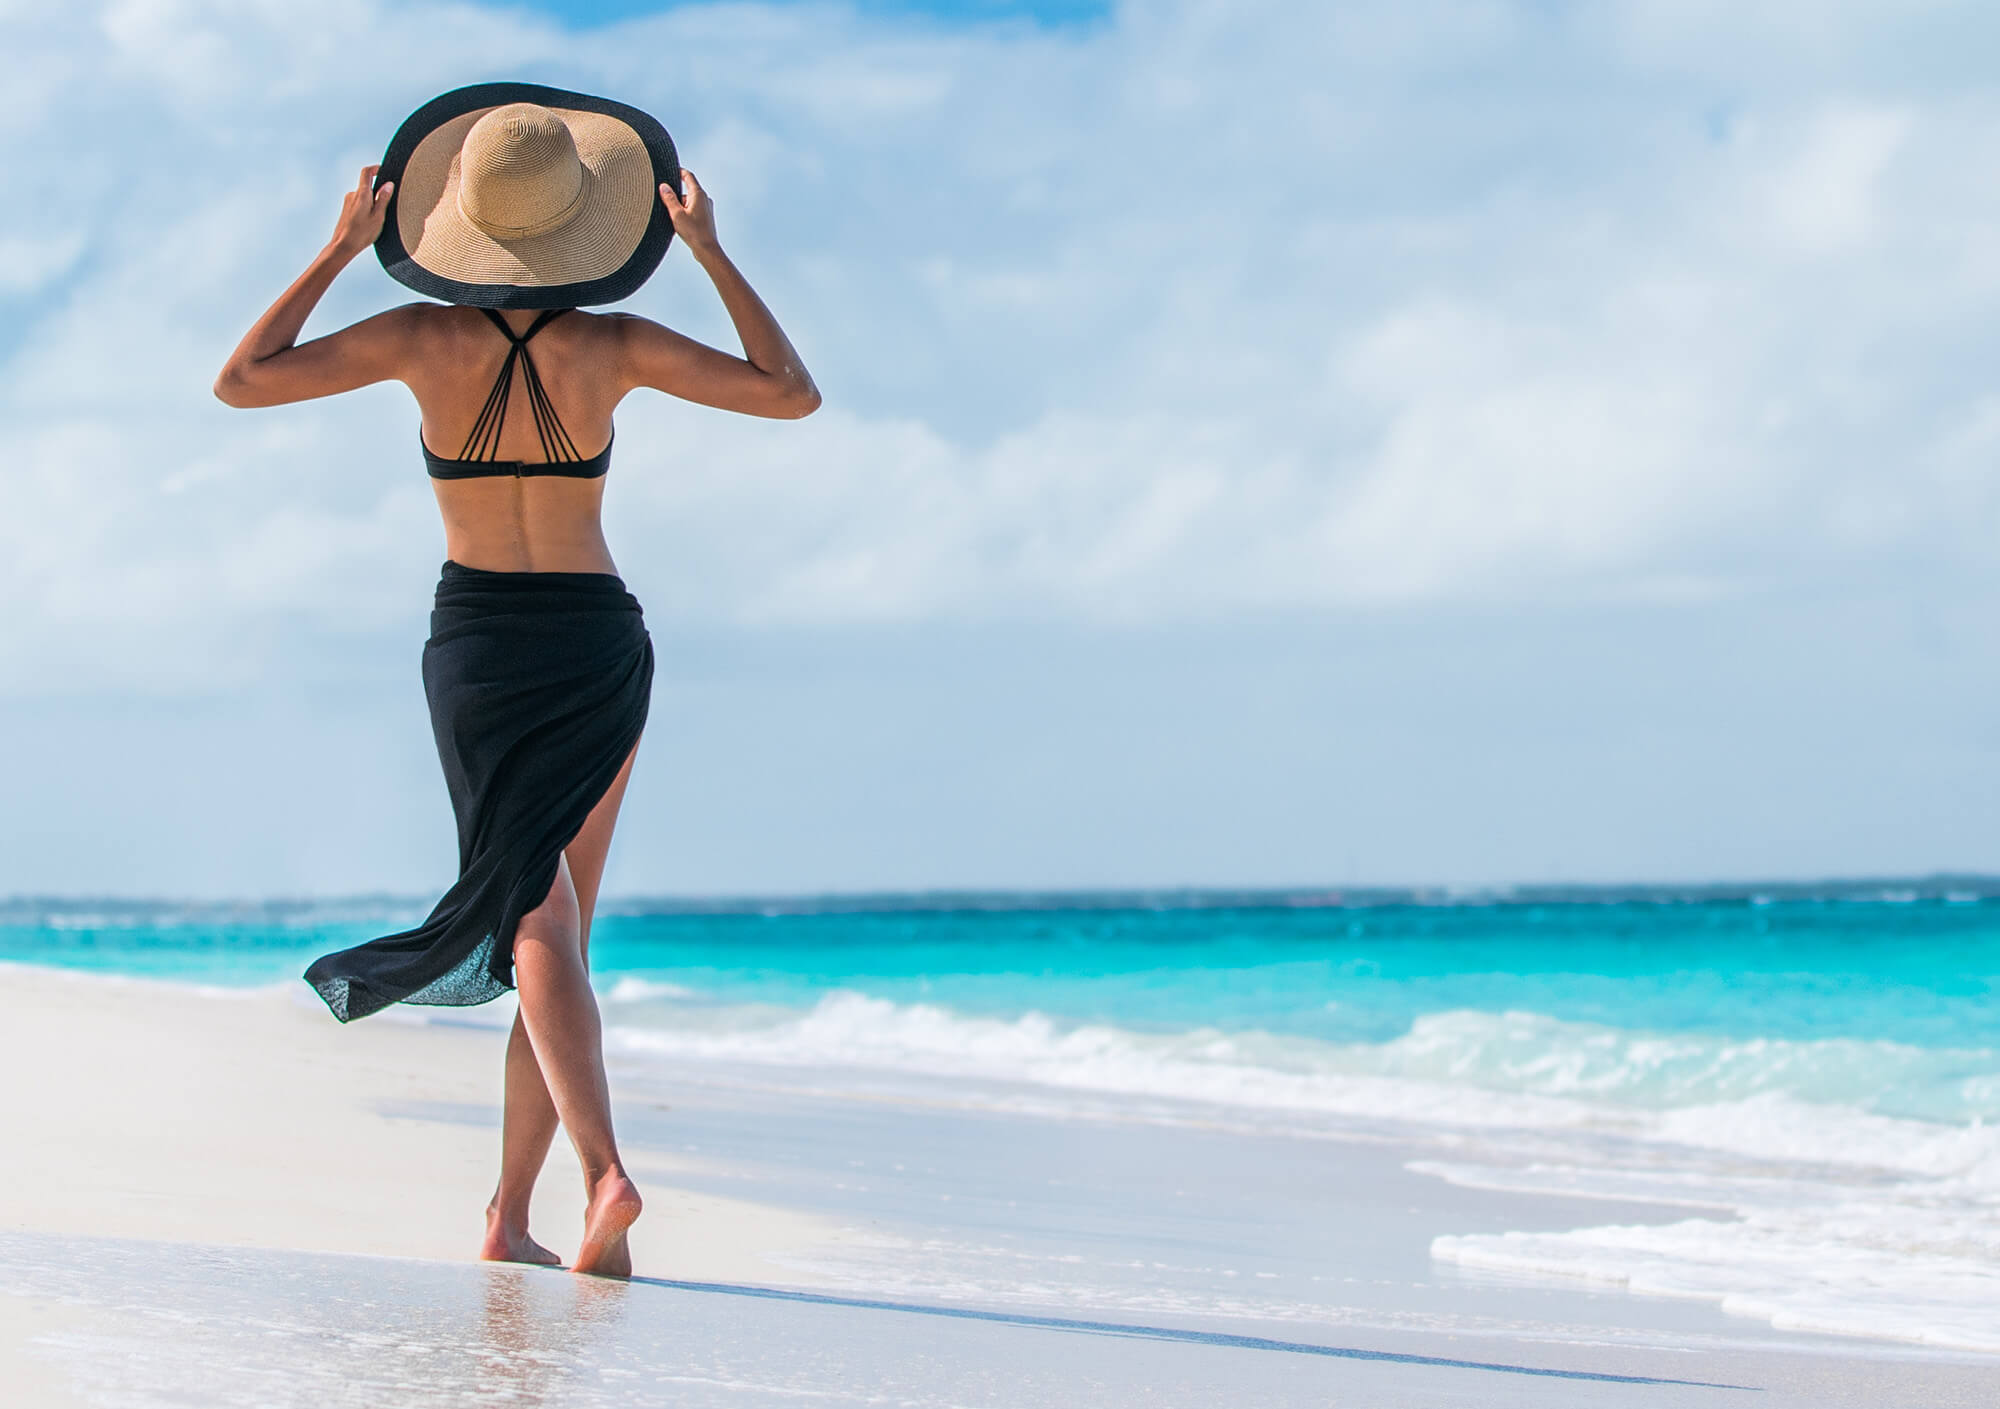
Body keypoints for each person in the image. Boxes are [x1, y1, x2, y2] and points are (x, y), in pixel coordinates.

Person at [213, 84, 818, 1278]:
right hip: (597, 637)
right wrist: (710, 252)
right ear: (587, 226)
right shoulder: (615, 346)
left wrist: (335, 250)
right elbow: (786, 391)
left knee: (534, 914)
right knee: (556, 927)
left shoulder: (416, 340)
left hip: (482, 642)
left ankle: (602, 1175)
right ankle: (507, 1213)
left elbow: (245, 377)